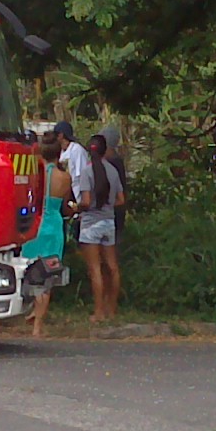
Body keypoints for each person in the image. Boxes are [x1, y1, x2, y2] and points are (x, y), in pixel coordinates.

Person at [21, 137, 72, 335]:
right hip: (54, 224)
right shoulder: (65, 178)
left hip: (36, 223)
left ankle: (33, 310)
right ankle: (38, 324)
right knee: (47, 275)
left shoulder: (35, 175)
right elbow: (66, 205)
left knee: (32, 270)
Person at [76, 133, 127, 322]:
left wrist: (78, 206)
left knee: (95, 269)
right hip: (108, 222)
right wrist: (107, 205)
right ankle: (111, 309)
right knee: (112, 267)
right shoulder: (112, 171)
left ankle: (97, 312)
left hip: (90, 224)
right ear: (106, 150)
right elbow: (121, 199)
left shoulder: (87, 172)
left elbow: (87, 201)